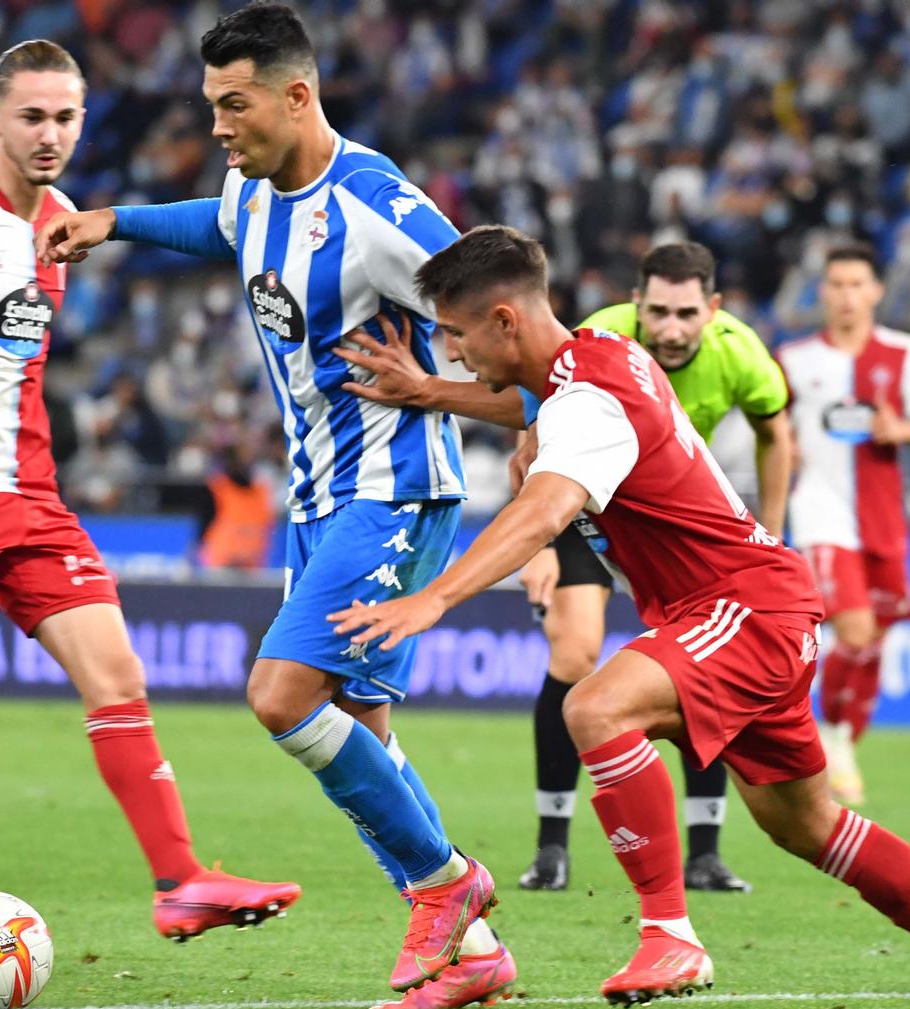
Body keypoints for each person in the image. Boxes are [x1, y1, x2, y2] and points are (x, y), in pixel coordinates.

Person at [333, 225, 910, 1009]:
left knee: (595, 707)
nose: (453, 354)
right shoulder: (598, 357)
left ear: (504, 321)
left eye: (456, 334)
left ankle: (670, 933)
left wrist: (434, 598)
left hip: (740, 608)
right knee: (809, 825)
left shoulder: (588, 402)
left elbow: (542, 508)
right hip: (755, 607)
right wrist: (432, 395)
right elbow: (528, 401)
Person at [39, 3, 515, 1009]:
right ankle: (471, 951)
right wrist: (113, 222)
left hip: (394, 490)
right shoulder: (249, 189)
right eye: (210, 103)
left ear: (297, 97)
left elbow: (525, 354)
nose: (215, 124)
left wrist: (435, 390)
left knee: (281, 696)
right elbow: (217, 226)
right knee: (359, 724)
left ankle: (443, 885)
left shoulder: (382, 212)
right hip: (318, 496)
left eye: (233, 104)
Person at [0, 38, 295, 965]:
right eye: (32, 117)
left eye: (65, 117)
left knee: (119, 673)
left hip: (32, 496)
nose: (50, 135)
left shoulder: (61, 222)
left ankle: (181, 883)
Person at [339, 240, 795, 895]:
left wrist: (775, 529)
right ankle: (555, 845)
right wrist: (433, 394)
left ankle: (704, 852)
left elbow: (775, 432)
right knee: (577, 654)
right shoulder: (600, 337)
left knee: (695, 681)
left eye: (686, 313)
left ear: (712, 311)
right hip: (582, 499)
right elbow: (537, 427)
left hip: (669, 515)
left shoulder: (739, 354)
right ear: (635, 302)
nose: (671, 327)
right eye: (658, 310)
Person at [777, 243, 910, 805]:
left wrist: (898, 429)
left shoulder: (905, 353)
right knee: (852, 630)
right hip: (820, 513)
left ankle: (841, 738)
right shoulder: (794, 358)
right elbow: (772, 426)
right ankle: (831, 742)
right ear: (822, 292)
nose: (847, 295)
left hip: (881, 517)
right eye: (836, 284)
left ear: (876, 291)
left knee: (874, 639)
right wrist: (783, 447)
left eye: (857, 283)